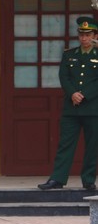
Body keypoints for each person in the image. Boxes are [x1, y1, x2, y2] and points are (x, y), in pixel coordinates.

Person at [39, 16, 98, 191]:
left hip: (93, 108)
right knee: (65, 144)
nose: (84, 38)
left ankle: (88, 180)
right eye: (81, 35)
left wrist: (84, 95)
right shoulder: (69, 54)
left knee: (92, 146)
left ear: (95, 35)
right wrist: (73, 93)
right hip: (71, 108)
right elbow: (63, 77)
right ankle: (57, 179)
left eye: (88, 35)